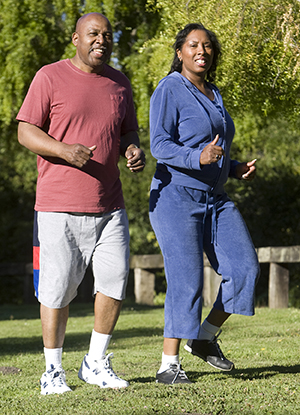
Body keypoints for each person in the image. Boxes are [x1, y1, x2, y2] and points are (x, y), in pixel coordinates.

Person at [17, 12, 145, 395]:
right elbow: (25, 130)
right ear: (75, 38)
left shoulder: (119, 83)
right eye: (93, 34)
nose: (101, 40)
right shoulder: (49, 76)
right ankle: (52, 371)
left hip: (110, 206)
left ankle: (95, 362)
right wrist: (62, 150)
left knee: (114, 284)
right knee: (55, 291)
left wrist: (133, 149)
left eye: (107, 35)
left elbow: (128, 130)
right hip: (58, 206)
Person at [149, 23, 260, 384]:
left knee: (244, 268)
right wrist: (198, 157)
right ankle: (168, 365)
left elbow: (216, 151)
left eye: (208, 46)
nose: (202, 50)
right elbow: (159, 145)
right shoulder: (169, 89)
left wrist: (234, 165)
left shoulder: (214, 92)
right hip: (176, 197)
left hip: (215, 199)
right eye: (193, 45)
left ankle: (204, 336)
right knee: (187, 280)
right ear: (180, 51)